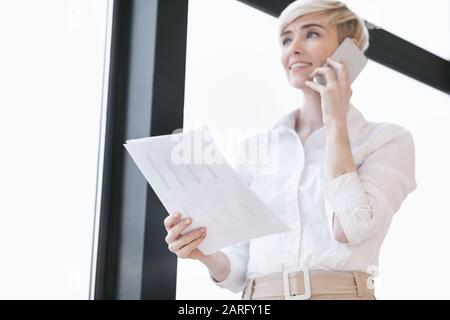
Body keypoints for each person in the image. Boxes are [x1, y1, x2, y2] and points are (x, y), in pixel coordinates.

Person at [163, 0, 417, 300]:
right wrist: (202, 251)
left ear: (348, 52)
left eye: (311, 34)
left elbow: (352, 228)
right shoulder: (257, 149)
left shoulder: (386, 139)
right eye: (286, 39)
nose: (293, 48)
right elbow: (239, 271)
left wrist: (335, 120)